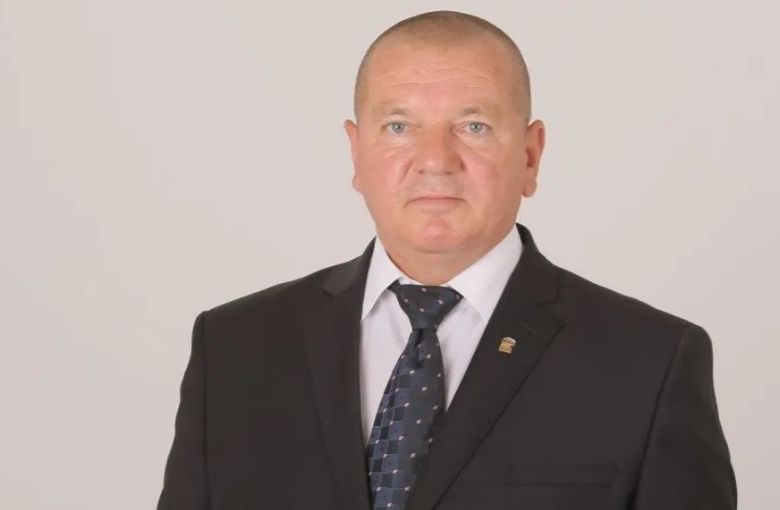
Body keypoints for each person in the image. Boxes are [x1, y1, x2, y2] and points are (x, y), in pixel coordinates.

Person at [156, 10, 737, 510]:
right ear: (356, 153)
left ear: (530, 156)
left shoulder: (651, 362)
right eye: (399, 126)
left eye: (474, 126)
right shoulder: (234, 348)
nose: (435, 159)